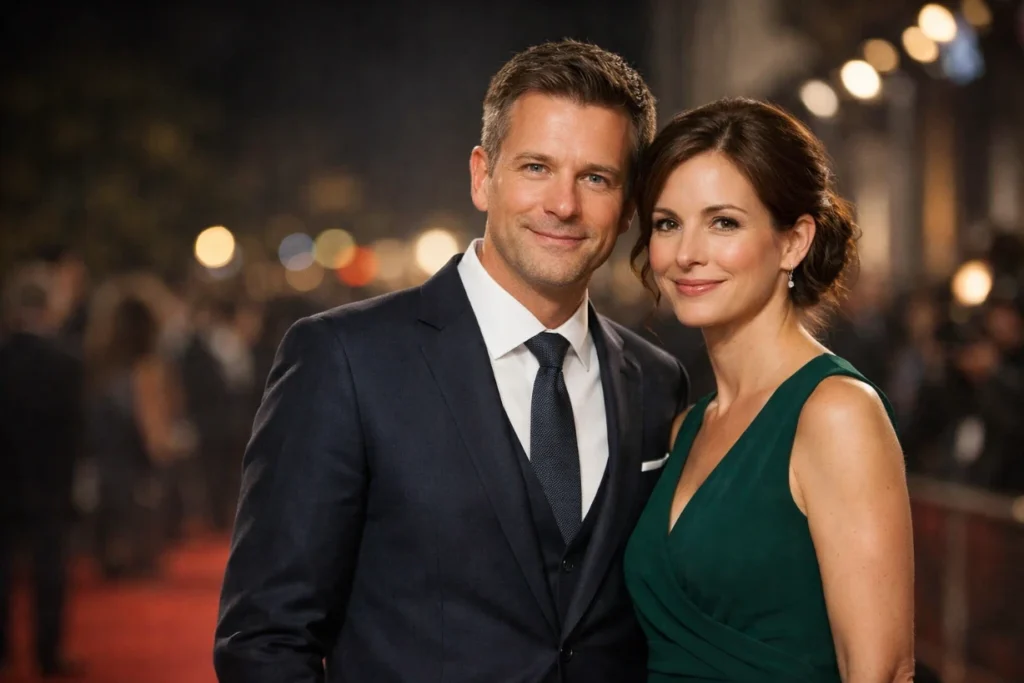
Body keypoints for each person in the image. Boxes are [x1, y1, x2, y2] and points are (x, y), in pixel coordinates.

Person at [214, 40, 689, 683]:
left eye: (596, 177)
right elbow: (266, 638)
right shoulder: (343, 360)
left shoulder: (657, 381)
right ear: (481, 176)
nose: (564, 205)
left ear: (629, 204)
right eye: (535, 168)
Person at [623, 98, 915, 682]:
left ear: (793, 242)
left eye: (723, 222)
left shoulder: (836, 413)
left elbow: (882, 671)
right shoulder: (687, 427)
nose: (686, 254)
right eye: (667, 223)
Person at [0, 264, 83, 677]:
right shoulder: (65, 362)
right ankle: (47, 654)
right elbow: (75, 432)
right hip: (51, 484)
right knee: (50, 572)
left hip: (6, 481)